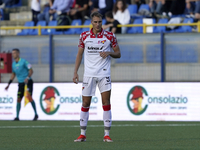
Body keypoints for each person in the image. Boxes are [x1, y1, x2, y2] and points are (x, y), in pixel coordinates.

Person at [73, 11, 121, 142]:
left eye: (100, 22)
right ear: (91, 22)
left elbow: (118, 53)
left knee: (106, 103)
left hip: (104, 74)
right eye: (95, 22)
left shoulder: (110, 36)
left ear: (102, 22)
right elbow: (79, 54)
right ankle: (82, 134)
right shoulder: (84, 36)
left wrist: (109, 52)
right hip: (88, 75)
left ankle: (106, 134)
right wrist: (75, 72)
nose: (98, 24)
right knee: (85, 103)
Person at [5, 49, 38, 121]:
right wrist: (8, 84)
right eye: (12, 53)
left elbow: (31, 70)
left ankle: (36, 114)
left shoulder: (24, 62)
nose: (13, 54)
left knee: (29, 97)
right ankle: (17, 116)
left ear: (18, 54)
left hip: (28, 82)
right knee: (18, 99)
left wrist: (27, 77)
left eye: (14, 53)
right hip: (20, 84)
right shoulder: (13, 64)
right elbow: (13, 74)